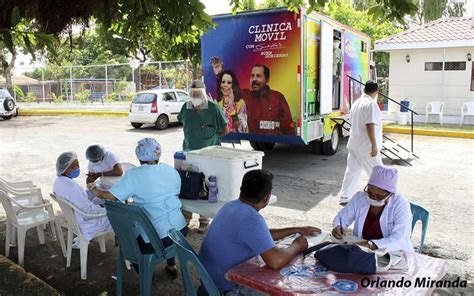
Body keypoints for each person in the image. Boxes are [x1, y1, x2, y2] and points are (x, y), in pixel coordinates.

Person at [199, 169, 320, 294]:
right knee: (286, 285)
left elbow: (260, 236)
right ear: (266, 198)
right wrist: (297, 246)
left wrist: (295, 229)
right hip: (226, 287)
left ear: (241, 190)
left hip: (209, 280)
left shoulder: (231, 206)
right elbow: (275, 261)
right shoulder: (251, 218)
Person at [87, 138, 188, 277]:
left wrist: (94, 189)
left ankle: (144, 273)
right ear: (159, 153)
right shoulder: (171, 171)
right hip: (181, 231)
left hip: (157, 239)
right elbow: (174, 193)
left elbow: (111, 196)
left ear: (138, 156)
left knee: (127, 240)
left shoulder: (134, 175)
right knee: (163, 220)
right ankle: (171, 265)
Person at [177, 80, 229, 233]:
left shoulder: (213, 108)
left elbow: (225, 129)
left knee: (206, 187)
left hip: (209, 155)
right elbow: (184, 123)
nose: (195, 97)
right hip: (189, 153)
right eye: (193, 94)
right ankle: (185, 218)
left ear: (204, 93)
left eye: (198, 94)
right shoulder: (185, 108)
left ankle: (204, 220)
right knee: (188, 185)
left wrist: (211, 135)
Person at [332, 165, 414, 253]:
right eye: (370, 193)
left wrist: (370, 245)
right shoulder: (359, 198)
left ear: (390, 194)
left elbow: (400, 238)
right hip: (362, 249)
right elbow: (342, 217)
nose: (373, 198)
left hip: (392, 252)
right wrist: (338, 227)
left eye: (379, 196)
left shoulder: (400, 204)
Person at [214, 63, 295, 135]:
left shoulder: (278, 97)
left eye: (258, 76)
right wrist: (219, 75)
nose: (254, 79)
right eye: (252, 76)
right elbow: (227, 88)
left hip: (273, 138)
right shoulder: (245, 95)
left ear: (267, 79)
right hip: (253, 138)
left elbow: (288, 124)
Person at [53, 151, 113, 248]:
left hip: (74, 220)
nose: (77, 168)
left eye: (77, 164)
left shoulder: (58, 182)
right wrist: (105, 210)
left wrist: (92, 193)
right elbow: (88, 211)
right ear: (64, 169)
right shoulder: (72, 187)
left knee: (98, 202)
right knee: (118, 217)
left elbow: (79, 199)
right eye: (72, 167)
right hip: (86, 223)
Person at [338, 80, 383, 205]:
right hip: (366, 146)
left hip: (354, 144)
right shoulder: (371, 104)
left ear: (365, 90)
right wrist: (374, 145)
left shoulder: (357, 103)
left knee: (352, 171)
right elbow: (369, 125)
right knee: (378, 173)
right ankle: (380, 198)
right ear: (376, 92)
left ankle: (345, 197)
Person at [333, 34, 342, 108]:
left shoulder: (339, 52)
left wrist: (339, 75)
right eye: (335, 41)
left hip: (333, 74)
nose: (336, 43)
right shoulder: (326, 48)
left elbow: (340, 64)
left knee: (331, 90)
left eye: (338, 42)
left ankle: (328, 105)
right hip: (324, 73)